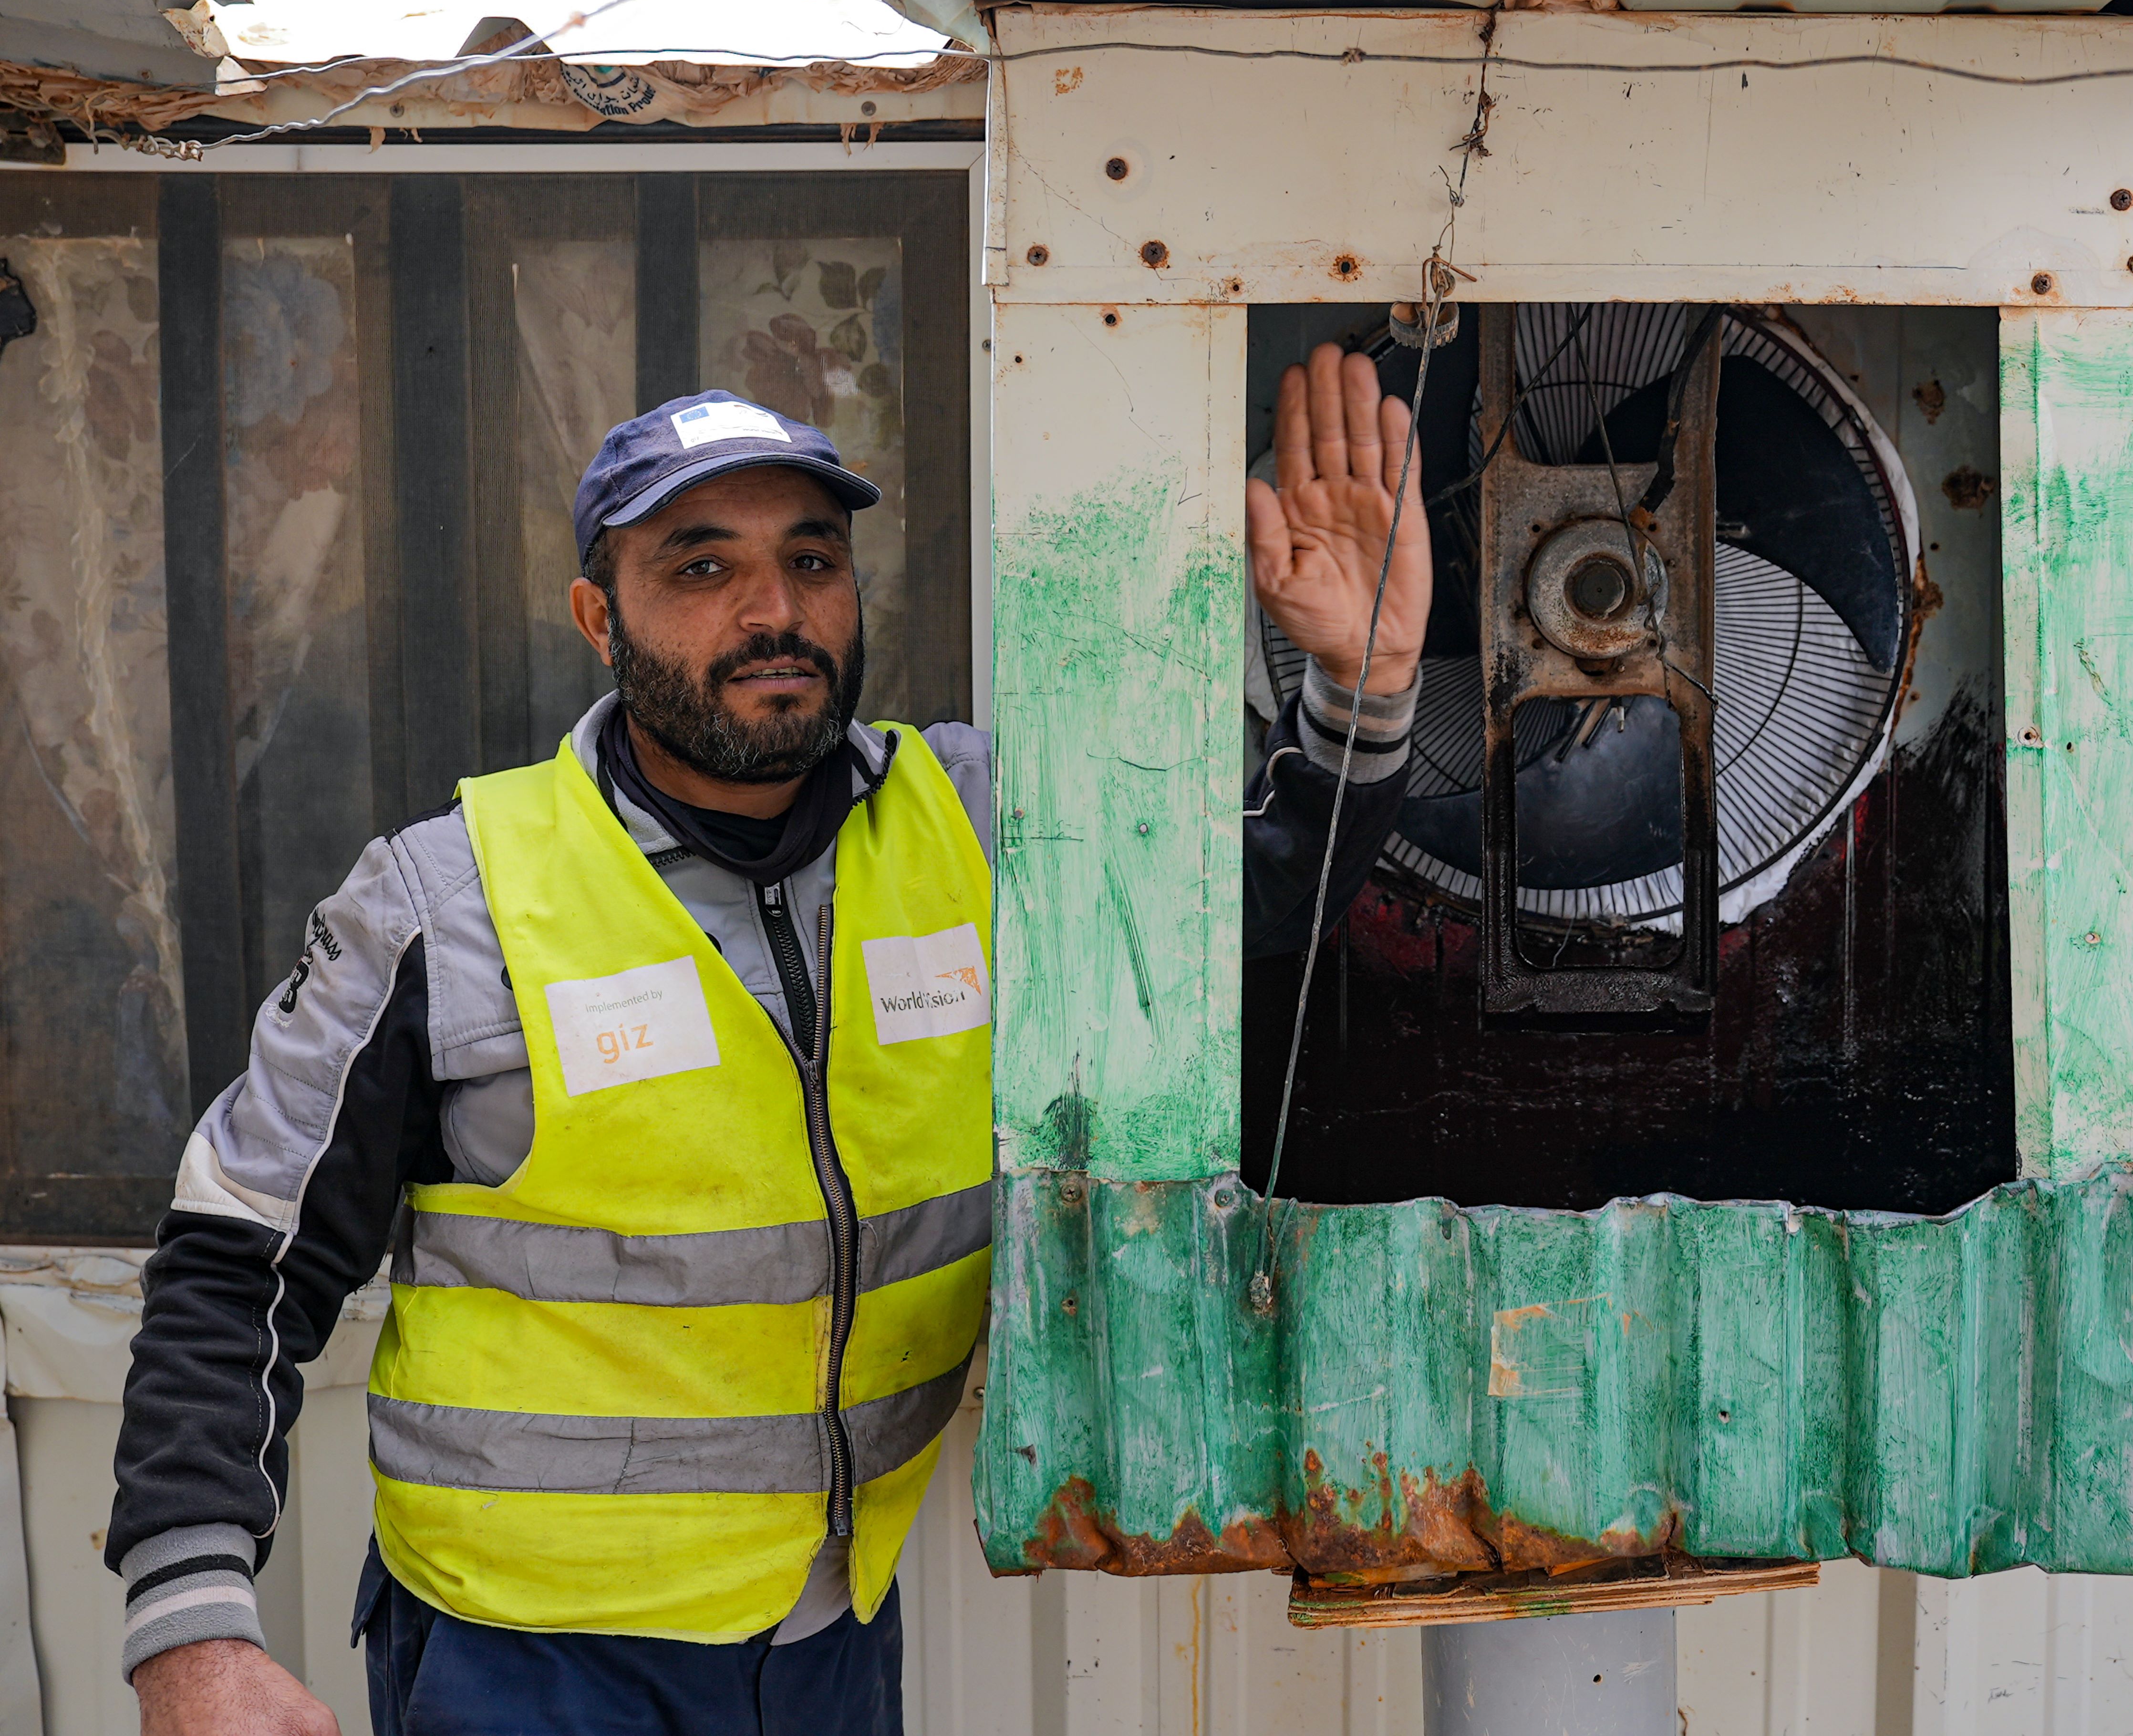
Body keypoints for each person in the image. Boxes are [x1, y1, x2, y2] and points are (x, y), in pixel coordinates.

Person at [111, 344, 1431, 1736]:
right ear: (596, 617)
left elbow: (1239, 902)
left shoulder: (976, 820)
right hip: (529, 1663)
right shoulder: (451, 901)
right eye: (700, 568)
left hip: (828, 1642)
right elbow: (237, 1265)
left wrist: (1365, 680)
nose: (773, 610)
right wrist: (191, 1635)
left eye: (812, 561)